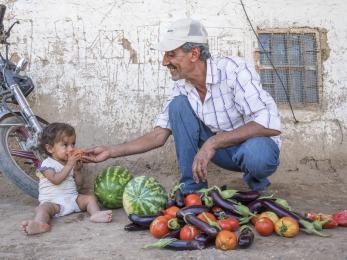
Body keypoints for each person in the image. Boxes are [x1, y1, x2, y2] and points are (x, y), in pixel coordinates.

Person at [84, 18, 281, 193]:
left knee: (256, 155)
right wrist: (111, 151)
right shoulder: (181, 86)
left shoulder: (234, 69)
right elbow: (158, 135)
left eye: (171, 54)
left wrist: (213, 142)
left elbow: (268, 124)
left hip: (255, 148)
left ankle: (255, 178)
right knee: (178, 106)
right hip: (222, 153)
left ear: (194, 54)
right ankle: (192, 190)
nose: (164, 62)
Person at [21, 123, 112, 235]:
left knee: (90, 198)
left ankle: (95, 214)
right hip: (53, 202)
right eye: (65, 145)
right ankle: (40, 224)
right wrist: (69, 165)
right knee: (42, 209)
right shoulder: (47, 164)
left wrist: (78, 171)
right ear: (50, 148)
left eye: (73, 144)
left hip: (72, 199)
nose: (71, 149)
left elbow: (79, 184)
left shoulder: (70, 163)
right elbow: (55, 180)